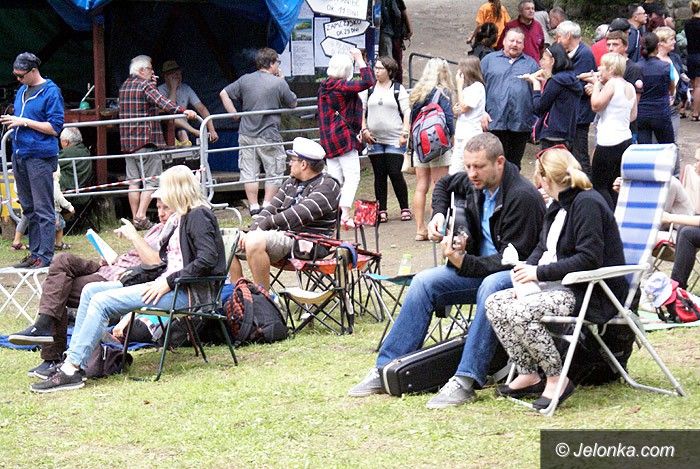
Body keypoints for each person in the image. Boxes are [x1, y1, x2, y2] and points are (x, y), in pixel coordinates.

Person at [348, 132, 545, 409]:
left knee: (491, 286)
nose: (472, 173)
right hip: (476, 269)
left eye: (479, 167)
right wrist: (439, 214)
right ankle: (384, 368)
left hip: (516, 276)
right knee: (424, 282)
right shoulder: (474, 182)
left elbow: (512, 260)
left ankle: (465, 379)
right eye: (468, 166)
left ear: (499, 162)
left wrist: (463, 262)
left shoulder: (522, 197)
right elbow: (443, 185)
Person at [30, 165, 226, 392]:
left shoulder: (198, 215)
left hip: (188, 293)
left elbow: (207, 260)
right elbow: (163, 263)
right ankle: (71, 361)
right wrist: (130, 278)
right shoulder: (180, 219)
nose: (161, 197)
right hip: (170, 286)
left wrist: (168, 282)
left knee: (102, 302)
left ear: (176, 189)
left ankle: (72, 369)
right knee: (91, 290)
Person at [486, 146, 627, 411]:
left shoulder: (587, 203)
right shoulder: (558, 205)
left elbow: (589, 258)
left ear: (546, 178)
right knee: (496, 303)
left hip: (591, 290)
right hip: (560, 286)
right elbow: (543, 247)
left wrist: (538, 273)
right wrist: (526, 272)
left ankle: (556, 378)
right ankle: (528, 373)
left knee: (520, 311)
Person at [8, 201, 172, 378]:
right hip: (110, 267)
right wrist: (111, 258)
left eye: (166, 208)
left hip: (121, 279)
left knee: (58, 289)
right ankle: (44, 328)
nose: (161, 213)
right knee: (62, 260)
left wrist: (134, 236)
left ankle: (50, 351)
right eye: (159, 207)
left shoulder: (175, 232)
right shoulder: (157, 228)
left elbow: (155, 264)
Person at [229, 137, 340, 291]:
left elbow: (299, 214)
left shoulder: (328, 185)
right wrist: (254, 229)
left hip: (309, 244)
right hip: (284, 238)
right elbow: (270, 209)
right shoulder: (291, 182)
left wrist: (261, 228)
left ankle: (263, 299)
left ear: (303, 164)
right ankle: (239, 293)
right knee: (227, 241)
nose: (289, 163)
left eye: (292, 160)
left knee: (254, 241)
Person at [119, 55, 197, 230]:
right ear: (141, 71)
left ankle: (135, 217)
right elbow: (162, 102)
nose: (153, 72)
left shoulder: (124, 86)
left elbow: (146, 103)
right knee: (151, 182)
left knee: (133, 182)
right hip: (146, 141)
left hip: (128, 143)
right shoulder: (144, 85)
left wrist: (152, 84)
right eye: (150, 69)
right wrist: (183, 111)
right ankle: (141, 216)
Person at [0, 52, 63, 269]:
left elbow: (55, 127)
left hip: (40, 156)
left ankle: (45, 257)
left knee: (43, 208)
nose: (18, 79)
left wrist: (24, 122)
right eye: (16, 75)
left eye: (21, 75)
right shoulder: (22, 91)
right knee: (28, 208)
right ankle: (35, 254)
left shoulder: (51, 92)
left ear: (33, 70)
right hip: (20, 155)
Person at [220, 48, 298, 217]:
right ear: (271, 63)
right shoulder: (278, 83)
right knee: (274, 170)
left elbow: (223, 93)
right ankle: (268, 206)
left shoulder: (245, 79)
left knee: (249, 172)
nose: (278, 66)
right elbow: (292, 103)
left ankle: (254, 207)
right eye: (278, 62)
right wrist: (282, 81)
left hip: (246, 133)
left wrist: (234, 114)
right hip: (269, 135)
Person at [318, 48, 374, 229]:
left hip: (328, 140)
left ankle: (332, 214)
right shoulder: (342, 87)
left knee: (334, 179)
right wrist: (359, 59)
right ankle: (345, 214)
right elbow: (368, 81)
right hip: (343, 138)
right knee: (352, 176)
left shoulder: (324, 86)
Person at [360, 56, 412, 222]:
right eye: (375, 68)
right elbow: (362, 111)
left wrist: (405, 132)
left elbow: (407, 112)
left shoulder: (397, 89)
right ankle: (381, 209)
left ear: (389, 71)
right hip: (374, 139)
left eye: (380, 68)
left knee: (395, 172)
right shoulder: (369, 89)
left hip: (394, 138)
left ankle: (404, 207)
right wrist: (364, 129)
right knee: (379, 174)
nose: (376, 71)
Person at [408, 58, 455, 240]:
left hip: (420, 144)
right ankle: (436, 228)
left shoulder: (417, 93)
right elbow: (448, 120)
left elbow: (412, 121)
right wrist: (451, 139)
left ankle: (420, 229)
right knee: (439, 186)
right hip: (438, 144)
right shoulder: (444, 93)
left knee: (421, 186)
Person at [584, 52, 637, 208]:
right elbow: (633, 115)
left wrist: (596, 86)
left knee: (599, 185)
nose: (599, 69)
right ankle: (616, 212)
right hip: (625, 139)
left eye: (603, 66)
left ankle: (606, 214)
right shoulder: (630, 86)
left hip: (608, 141)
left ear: (612, 68)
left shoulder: (612, 84)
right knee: (615, 183)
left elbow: (596, 105)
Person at [481, 28, 539, 168]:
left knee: (513, 165)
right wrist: (481, 111)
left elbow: (538, 92)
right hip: (493, 120)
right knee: (492, 163)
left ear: (523, 45)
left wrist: (534, 121)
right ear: (504, 41)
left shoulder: (531, 64)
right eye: (511, 40)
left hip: (520, 123)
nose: (514, 44)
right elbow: (477, 86)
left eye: (519, 42)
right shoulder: (489, 60)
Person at [524, 42, 582, 150]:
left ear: (553, 61)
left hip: (552, 134)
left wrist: (536, 85)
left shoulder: (556, 81)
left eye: (544, 59)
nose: (541, 62)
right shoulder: (571, 79)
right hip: (567, 133)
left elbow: (539, 107)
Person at [556, 21, 596, 175]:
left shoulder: (584, 54)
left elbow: (579, 85)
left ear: (568, 36)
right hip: (570, 113)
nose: (557, 40)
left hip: (580, 115)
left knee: (580, 155)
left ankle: (587, 186)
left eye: (559, 37)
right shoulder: (568, 53)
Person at [158, 60, 218, 146]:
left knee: (182, 133)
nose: (177, 76)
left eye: (178, 73)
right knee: (172, 117)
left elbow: (201, 108)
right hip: (165, 127)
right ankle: (195, 132)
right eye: (172, 74)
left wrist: (212, 130)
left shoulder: (186, 88)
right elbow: (170, 109)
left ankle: (188, 151)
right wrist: (173, 88)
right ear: (165, 77)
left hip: (183, 126)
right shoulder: (160, 90)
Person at [605, 27, 644, 140]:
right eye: (608, 45)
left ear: (626, 46)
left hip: (626, 127)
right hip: (607, 125)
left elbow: (634, 102)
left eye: (615, 44)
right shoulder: (606, 66)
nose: (611, 48)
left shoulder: (633, 69)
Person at [637, 32, 675, 145]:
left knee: (643, 149)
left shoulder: (636, 67)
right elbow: (671, 88)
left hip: (641, 113)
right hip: (661, 112)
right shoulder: (666, 66)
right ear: (657, 46)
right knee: (668, 147)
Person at [451, 56, 485, 175]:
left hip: (471, 134)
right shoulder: (468, 89)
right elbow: (459, 108)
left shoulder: (478, 87)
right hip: (461, 133)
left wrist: (459, 86)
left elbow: (465, 107)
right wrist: (457, 109)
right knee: (455, 171)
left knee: (467, 168)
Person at [379, 0, 412, 83]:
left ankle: (395, 84)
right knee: (388, 62)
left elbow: (403, 10)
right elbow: (403, 11)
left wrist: (409, 29)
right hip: (386, 32)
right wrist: (409, 29)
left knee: (394, 61)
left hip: (395, 33)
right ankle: (390, 83)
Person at [57, 127, 93, 198]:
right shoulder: (85, 151)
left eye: (61, 141)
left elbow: (50, 165)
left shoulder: (67, 153)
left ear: (66, 142)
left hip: (69, 193)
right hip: (83, 194)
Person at [686, 0, 700, 121]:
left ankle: (695, 110)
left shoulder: (688, 23)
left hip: (691, 56)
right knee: (698, 86)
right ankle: (696, 112)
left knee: (694, 85)